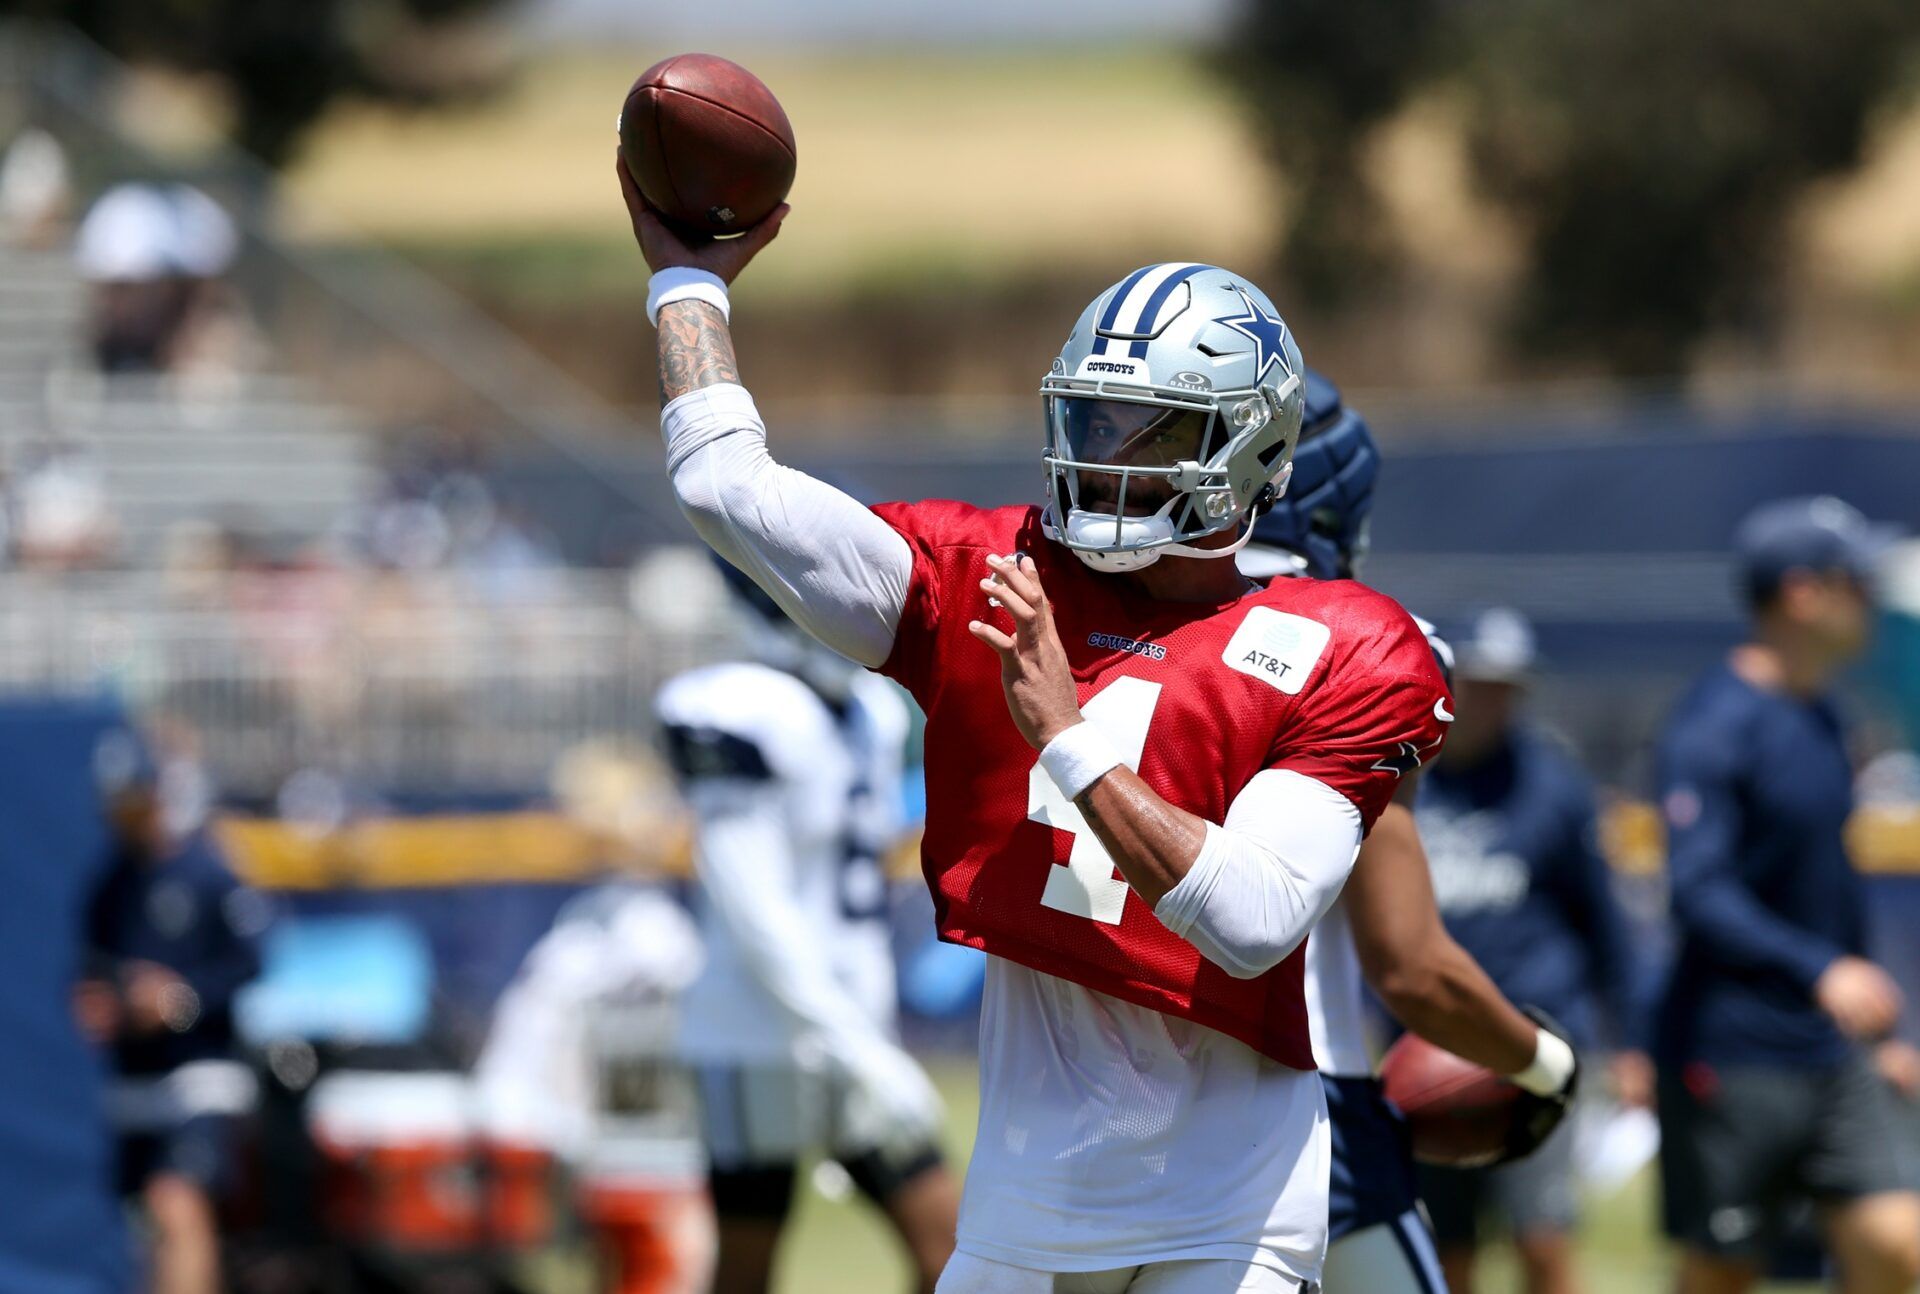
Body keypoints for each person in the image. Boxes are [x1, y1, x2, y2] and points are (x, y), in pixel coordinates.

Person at [621, 161, 1452, 1294]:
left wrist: (1069, 737)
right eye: (1093, 420)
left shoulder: (1344, 644)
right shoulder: (989, 573)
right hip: (1025, 1200)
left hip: (1229, 1207)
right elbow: (726, 485)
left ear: (1246, 450)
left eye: (1151, 433)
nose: (1105, 458)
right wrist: (686, 284)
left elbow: (1253, 918)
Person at [1241, 376, 1581, 1294]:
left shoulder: (1096, 622)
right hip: (1296, 1097)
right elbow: (1411, 969)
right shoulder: (1361, 646)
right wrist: (1544, 1064)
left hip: (1082, 1098)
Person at [656, 559, 959, 1294]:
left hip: (849, 1019)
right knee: (747, 1267)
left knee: (954, 1250)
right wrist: (860, 1045)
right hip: (756, 1032)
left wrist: (866, 1030)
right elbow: (752, 904)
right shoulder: (734, 705)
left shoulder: (873, 712)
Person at [1655, 496, 1920, 1294]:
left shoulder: (1828, 717)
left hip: (1831, 1052)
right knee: (1722, 1271)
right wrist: (1820, 971)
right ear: (1803, 595)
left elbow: (1827, 890)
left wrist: (1880, 1033)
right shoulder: (1714, 724)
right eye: (1858, 582)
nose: (1872, 600)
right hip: (1731, 1051)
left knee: (1894, 1246)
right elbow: (1699, 891)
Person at [1409, 607, 1649, 1294]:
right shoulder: (1402, 773)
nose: (1492, 701)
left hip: (1533, 1037)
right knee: (1445, 1250)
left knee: (1543, 1239)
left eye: (1507, 687)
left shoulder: (1554, 787)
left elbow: (1604, 922)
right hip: (1427, 1043)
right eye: (1479, 683)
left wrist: (1629, 1041)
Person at [79, 734, 267, 1294]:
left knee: (176, 1203)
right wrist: (101, 1003)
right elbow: (93, 971)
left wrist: (178, 1003)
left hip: (197, 1072)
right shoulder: (110, 885)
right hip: (133, 1077)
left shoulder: (206, 872)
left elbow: (249, 963)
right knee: (145, 1225)